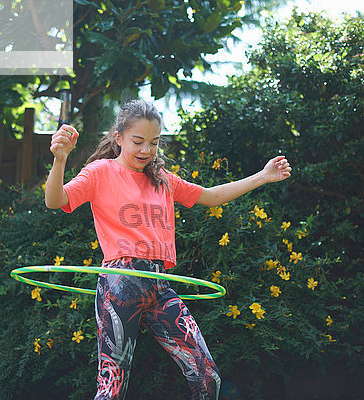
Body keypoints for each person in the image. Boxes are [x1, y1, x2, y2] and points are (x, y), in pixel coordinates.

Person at [45, 99, 291, 400]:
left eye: (154, 142)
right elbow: (55, 200)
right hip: (120, 284)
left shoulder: (162, 180)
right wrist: (60, 160)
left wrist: (263, 176)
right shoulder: (101, 172)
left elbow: (211, 196)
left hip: (161, 286)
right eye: (137, 141)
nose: (146, 150)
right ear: (118, 138)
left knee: (208, 377)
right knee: (112, 387)